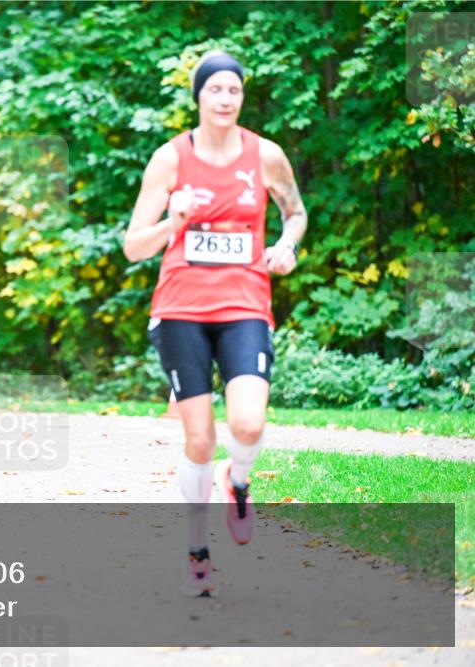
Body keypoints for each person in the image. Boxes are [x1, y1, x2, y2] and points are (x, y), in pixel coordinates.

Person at [122, 51, 308, 596]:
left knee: (247, 424)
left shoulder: (266, 156)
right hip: (180, 308)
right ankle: (197, 547)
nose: (225, 99)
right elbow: (135, 245)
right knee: (200, 440)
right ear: (199, 96)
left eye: (234, 90)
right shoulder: (170, 160)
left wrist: (286, 244)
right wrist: (173, 220)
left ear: (242, 97)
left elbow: (294, 211)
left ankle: (240, 479)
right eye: (215, 90)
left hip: (246, 304)